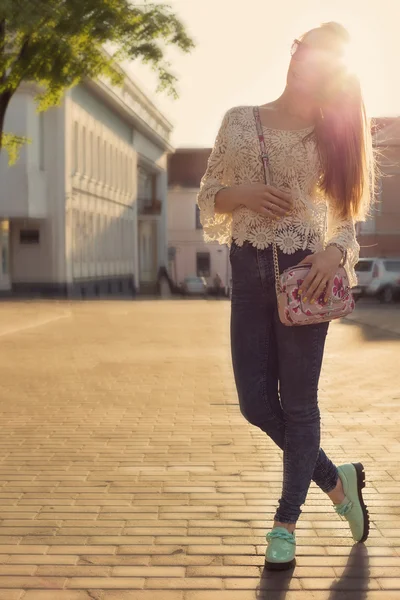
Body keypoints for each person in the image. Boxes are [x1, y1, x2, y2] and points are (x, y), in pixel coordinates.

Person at [197, 22, 374, 571]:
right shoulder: (239, 120)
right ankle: (338, 484)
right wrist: (241, 193)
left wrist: (333, 255)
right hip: (248, 273)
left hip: (306, 276)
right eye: (305, 53)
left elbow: (347, 221)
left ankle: (285, 523)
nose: (307, 66)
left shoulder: (332, 135)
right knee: (255, 403)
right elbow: (208, 197)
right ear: (296, 54)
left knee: (299, 406)